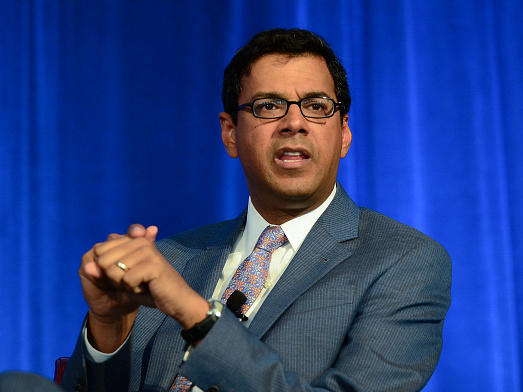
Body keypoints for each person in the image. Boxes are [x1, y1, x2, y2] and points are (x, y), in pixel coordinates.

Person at [59, 28, 451, 392]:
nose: (294, 122)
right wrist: (109, 328)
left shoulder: (402, 260)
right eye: (268, 106)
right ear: (230, 133)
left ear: (344, 132)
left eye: (316, 105)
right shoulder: (171, 259)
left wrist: (194, 312)